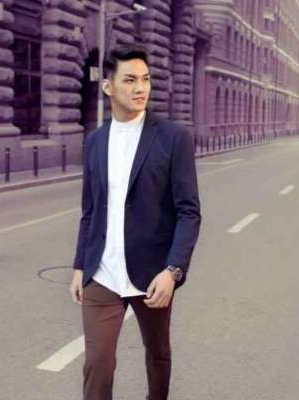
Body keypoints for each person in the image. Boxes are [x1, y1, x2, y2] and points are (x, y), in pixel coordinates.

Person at [70, 45, 201, 400]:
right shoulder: (95, 142)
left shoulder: (174, 138)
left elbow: (189, 212)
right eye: (129, 80)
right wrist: (80, 266)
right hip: (102, 272)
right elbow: (90, 211)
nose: (140, 88)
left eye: (145, 79)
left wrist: (172, 271)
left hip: (154, 273)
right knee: (97, 363)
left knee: (157, 354)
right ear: (108, 86)